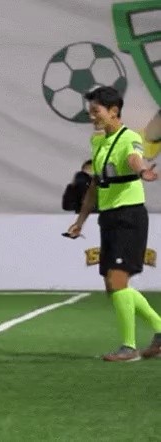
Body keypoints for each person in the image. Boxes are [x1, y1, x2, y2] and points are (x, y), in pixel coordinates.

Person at [66, 86, 161, 362]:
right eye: (90, 111)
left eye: (96, 111)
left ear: (113, 111)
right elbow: (95, 185)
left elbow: (134, 158)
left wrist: (142, 171)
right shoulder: (97, 142)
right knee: (112, 285)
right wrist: (80, 220)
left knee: (118, 279)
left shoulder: (129, 137)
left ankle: (128, 348)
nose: (91, 116)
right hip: (108, 217)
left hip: (129, 216)